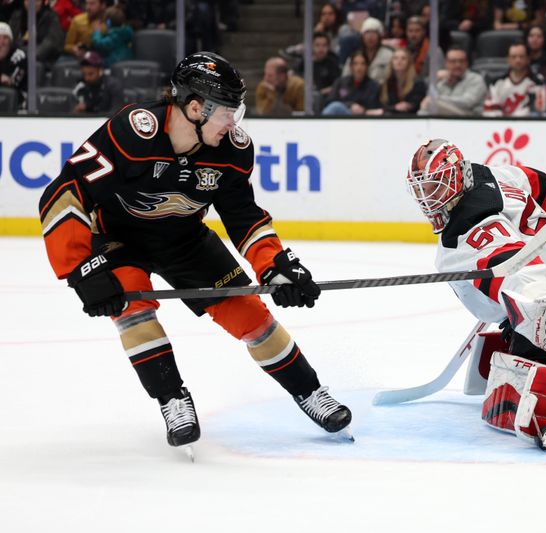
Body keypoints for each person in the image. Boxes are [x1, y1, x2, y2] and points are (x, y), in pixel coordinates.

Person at [38, 51, 352, 451]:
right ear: (194, 107)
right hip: (119, 238)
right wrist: (81, 269)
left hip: (184, 239)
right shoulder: (132, 132)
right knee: (133, 311)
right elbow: (64, 193)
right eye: (226, 113)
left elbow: (243, 217)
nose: (232, 124)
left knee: (252, 317)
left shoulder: (233, 150)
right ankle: (173, 399)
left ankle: (310, 392)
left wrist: (275, 266)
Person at [403, 139, 546, 450]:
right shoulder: (489, 173)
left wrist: (544, 318)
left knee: (509, 400)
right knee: (514, 328)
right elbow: (540, 182)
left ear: (457, 177)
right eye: (422, 189)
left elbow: (526, 272)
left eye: (436, 186)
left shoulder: (469, 226)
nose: (428, 198)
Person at [418, 45, 487, 116]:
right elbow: (425, 104)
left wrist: (437, 98)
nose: (458, 65)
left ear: (467, 63)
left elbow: (467, 102)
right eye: (453, 61)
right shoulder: (442, 81)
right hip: (444, 121)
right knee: (426, 108)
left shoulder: (476, 79)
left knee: (432, 103)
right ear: (446, 63)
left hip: (470, 118)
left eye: (461, 61)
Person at [482, 41, 545, 117]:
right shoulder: (496, 83)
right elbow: (490, 111)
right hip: (501, 126)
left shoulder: (537, 82)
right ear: (508, 60)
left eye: (521, 56)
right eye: (513, 57)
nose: (517, 60)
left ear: (528, 59)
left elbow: (538, 111)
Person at [367, 47, 426, 115]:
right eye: (395, 58)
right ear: (391, 62)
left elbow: (413, 106)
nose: (399, 61)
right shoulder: (387, 83)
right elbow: (381, 105)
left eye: (403, 58)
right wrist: (392, 108)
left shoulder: (418, 84)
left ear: (409, 62)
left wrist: (386, 110)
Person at [321, 49, 381, 115]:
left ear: (367, 67)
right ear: (351, 67)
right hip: (341, 118)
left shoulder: (374, 86)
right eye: (355, 64)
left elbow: (373, 107)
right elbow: (330, 102)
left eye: (362, 64)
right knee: (335, 106)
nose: (359, 68)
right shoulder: (340, 82)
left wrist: (361, 109)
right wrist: (350, 105)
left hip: (363, 119)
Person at [72, 50, 124, 114]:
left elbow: (116, 113)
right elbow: (72, 114)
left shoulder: (113, 85)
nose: (86, 78)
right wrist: (77, 111)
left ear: (100, 71)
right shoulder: (80, 86)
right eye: (84, 74)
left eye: (90, 74)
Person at [0, 21, 26, 108]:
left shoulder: (19, 56)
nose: (1, 42)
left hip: (17, 105)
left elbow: (10, 82)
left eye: (5, 38)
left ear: (10, 41)